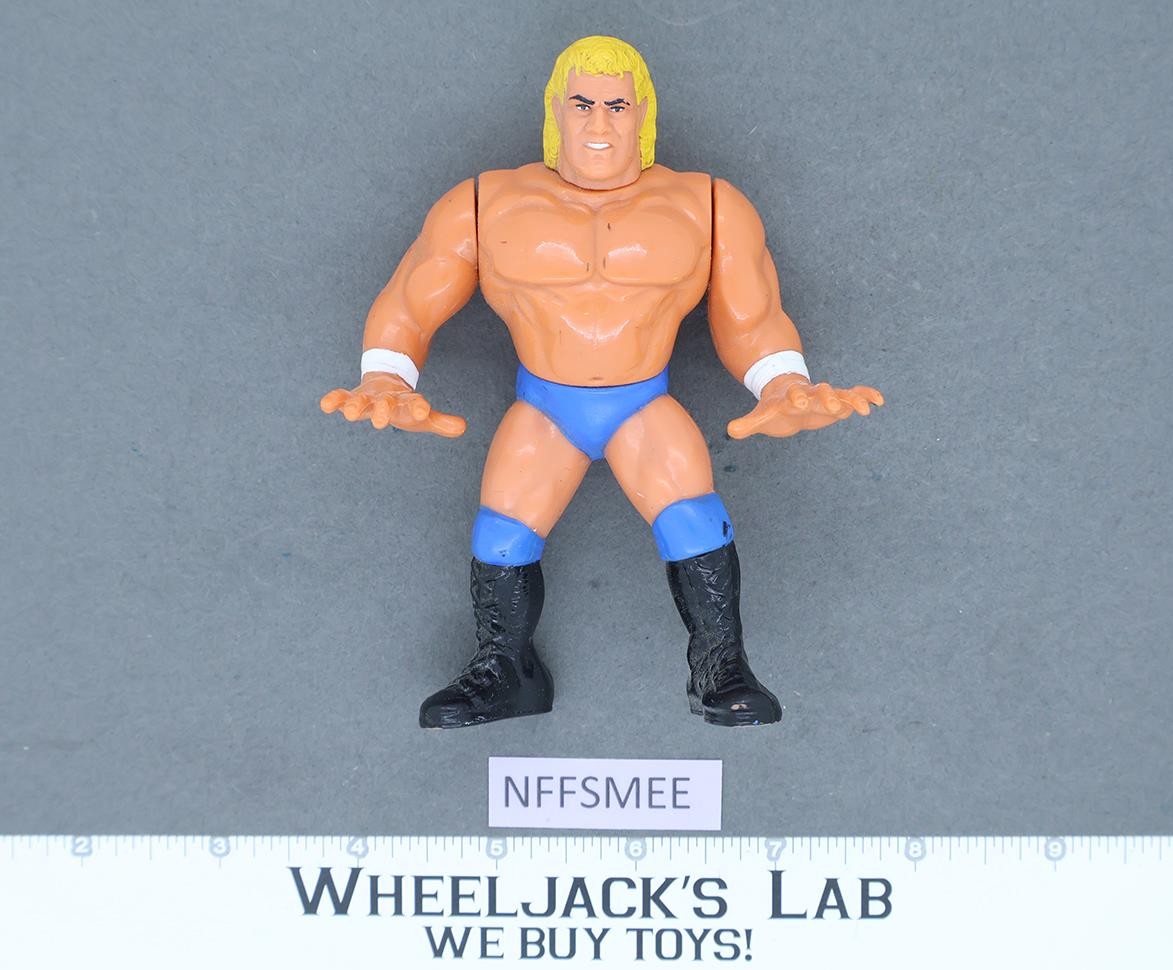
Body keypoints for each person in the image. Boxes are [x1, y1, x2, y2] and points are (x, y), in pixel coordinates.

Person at [320, 35, 883, 729]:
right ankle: (506, 671)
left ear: (643, 112)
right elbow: (411, 300)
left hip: (641, 403)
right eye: (582, 103)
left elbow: (754, 317)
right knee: (501, 534)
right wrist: (386, 374)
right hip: (545, 405)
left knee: (693, 519)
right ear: (554, 109)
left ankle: (721, 666)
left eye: (617, 106)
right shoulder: (484, 203)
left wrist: (782, 382)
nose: (598, 122)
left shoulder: (707, 204)